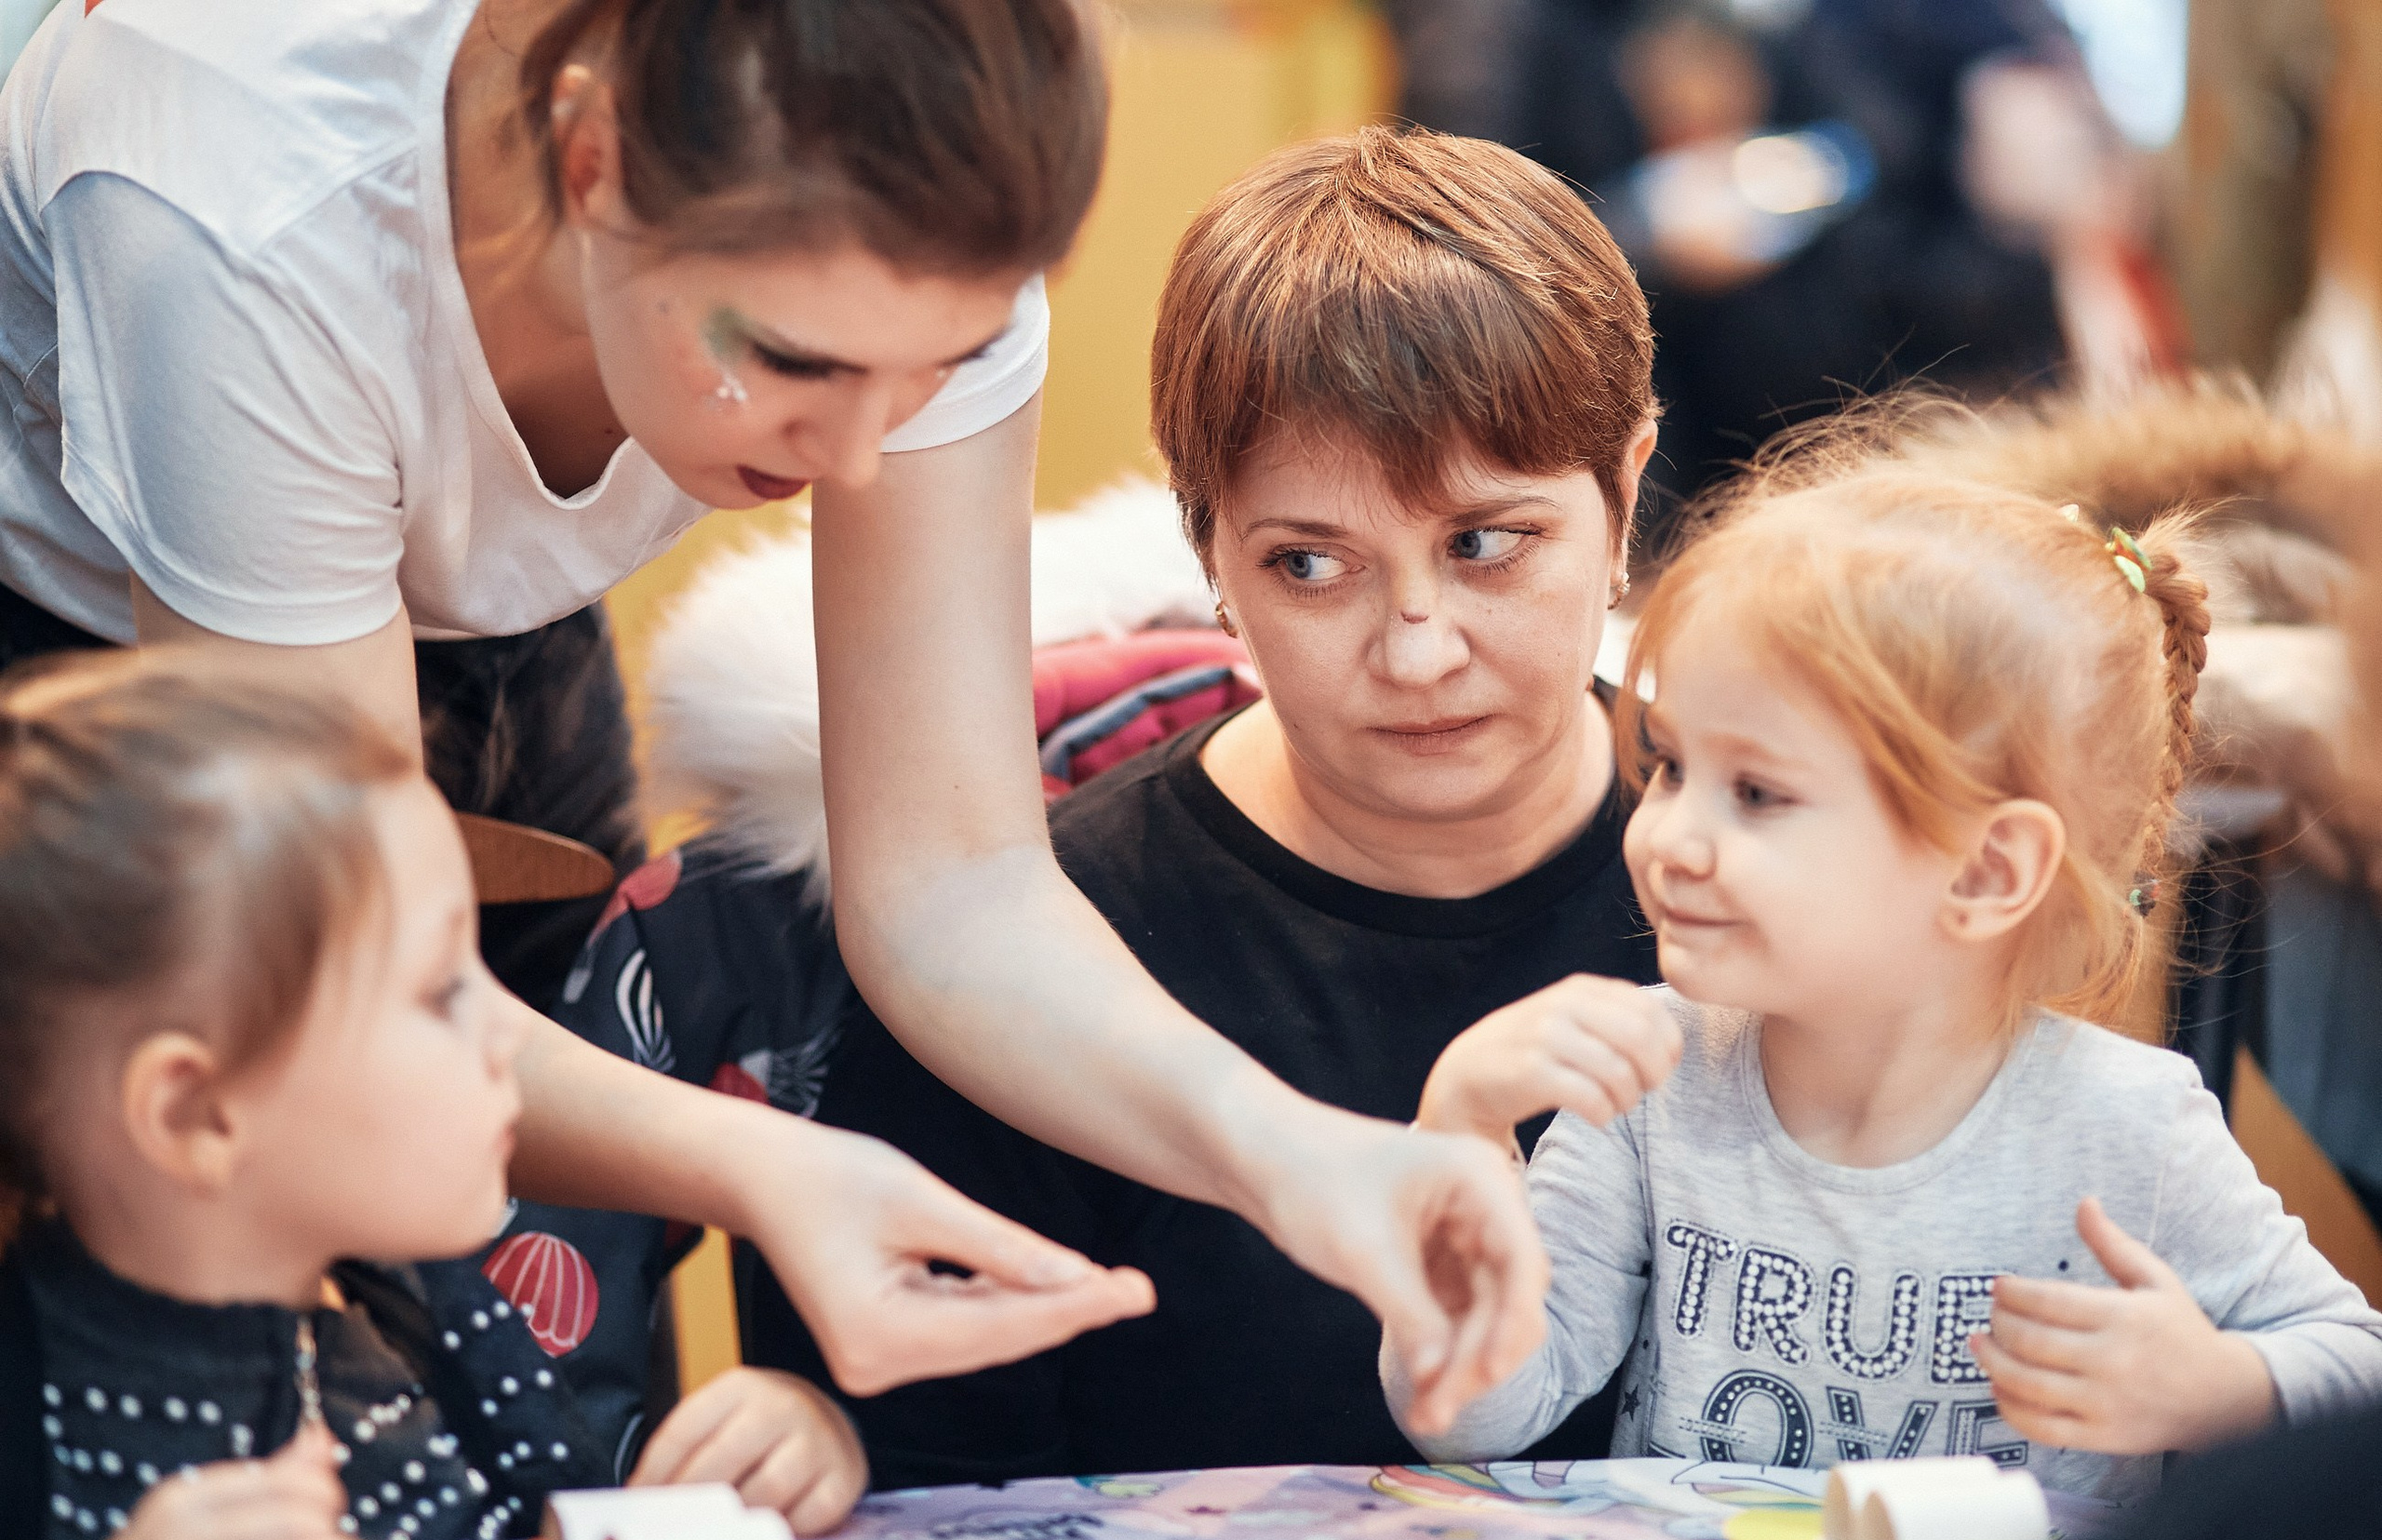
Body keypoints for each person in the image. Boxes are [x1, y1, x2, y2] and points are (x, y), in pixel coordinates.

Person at [0, 0, 1538, 1424]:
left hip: (492, 616)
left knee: (532, 1389)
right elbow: (319, 997)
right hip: (72, 668)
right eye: (792, 359)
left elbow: (951, 885)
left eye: (938, 368)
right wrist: (778, 1170)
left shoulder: (921, 209)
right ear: (590, 160)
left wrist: (1294, 1154)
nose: (861, 463)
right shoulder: (236, 190)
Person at [550, 127, 1678, 1483]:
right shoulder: (1032, 978)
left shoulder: (1794, 883)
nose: (1418, 648)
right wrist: (821, 1443)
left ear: (1624, 493)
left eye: (1486, 544)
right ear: (1207, 550)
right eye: (1312, 564)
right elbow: (926, 1469)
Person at [1389, 427, 2382, 1501]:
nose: (1667, 834)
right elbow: (1466, 1412)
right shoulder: (1648, 1080)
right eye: (1672, 765)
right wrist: (1461, 1139)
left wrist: (2220, 1387)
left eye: (1758, 792)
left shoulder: (2128, 1128)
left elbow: (2355, 1369)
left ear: (1987, 870)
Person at [0, 651, 881, 1540]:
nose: (508, 1039)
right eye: (439, 991)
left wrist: (790, 1449)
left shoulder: (439, 1319)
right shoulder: (26, 1420)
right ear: (196, 1112)